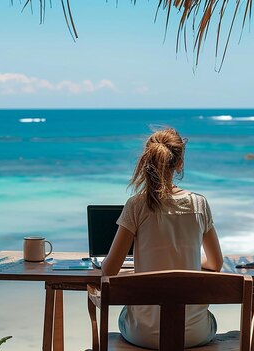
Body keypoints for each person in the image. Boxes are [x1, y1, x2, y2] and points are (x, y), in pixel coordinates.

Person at [101, 128, 224, 349]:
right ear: (179, 163)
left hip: (142, 335)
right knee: (209, 320)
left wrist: (143, 268)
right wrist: (190, 264)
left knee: (125, 315)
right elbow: (216, 264)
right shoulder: (199, 204)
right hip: (194, 335)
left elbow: (109, 270)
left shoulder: (136, 206)